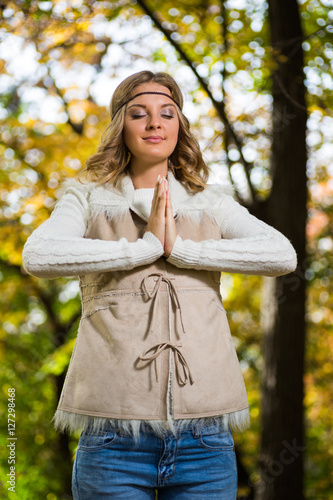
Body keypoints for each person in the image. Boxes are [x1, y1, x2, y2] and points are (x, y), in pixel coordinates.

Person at [22, 70, 297, 499]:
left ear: (178, 126)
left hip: (205, 442)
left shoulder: (211, 202)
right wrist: (143, 248)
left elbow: (281, 254)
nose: (155, 123)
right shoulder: (86, 197)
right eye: (139, 113)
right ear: (121, 126)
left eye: (167, 113)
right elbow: (39, 255)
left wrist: (182, 249)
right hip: (113, 440)